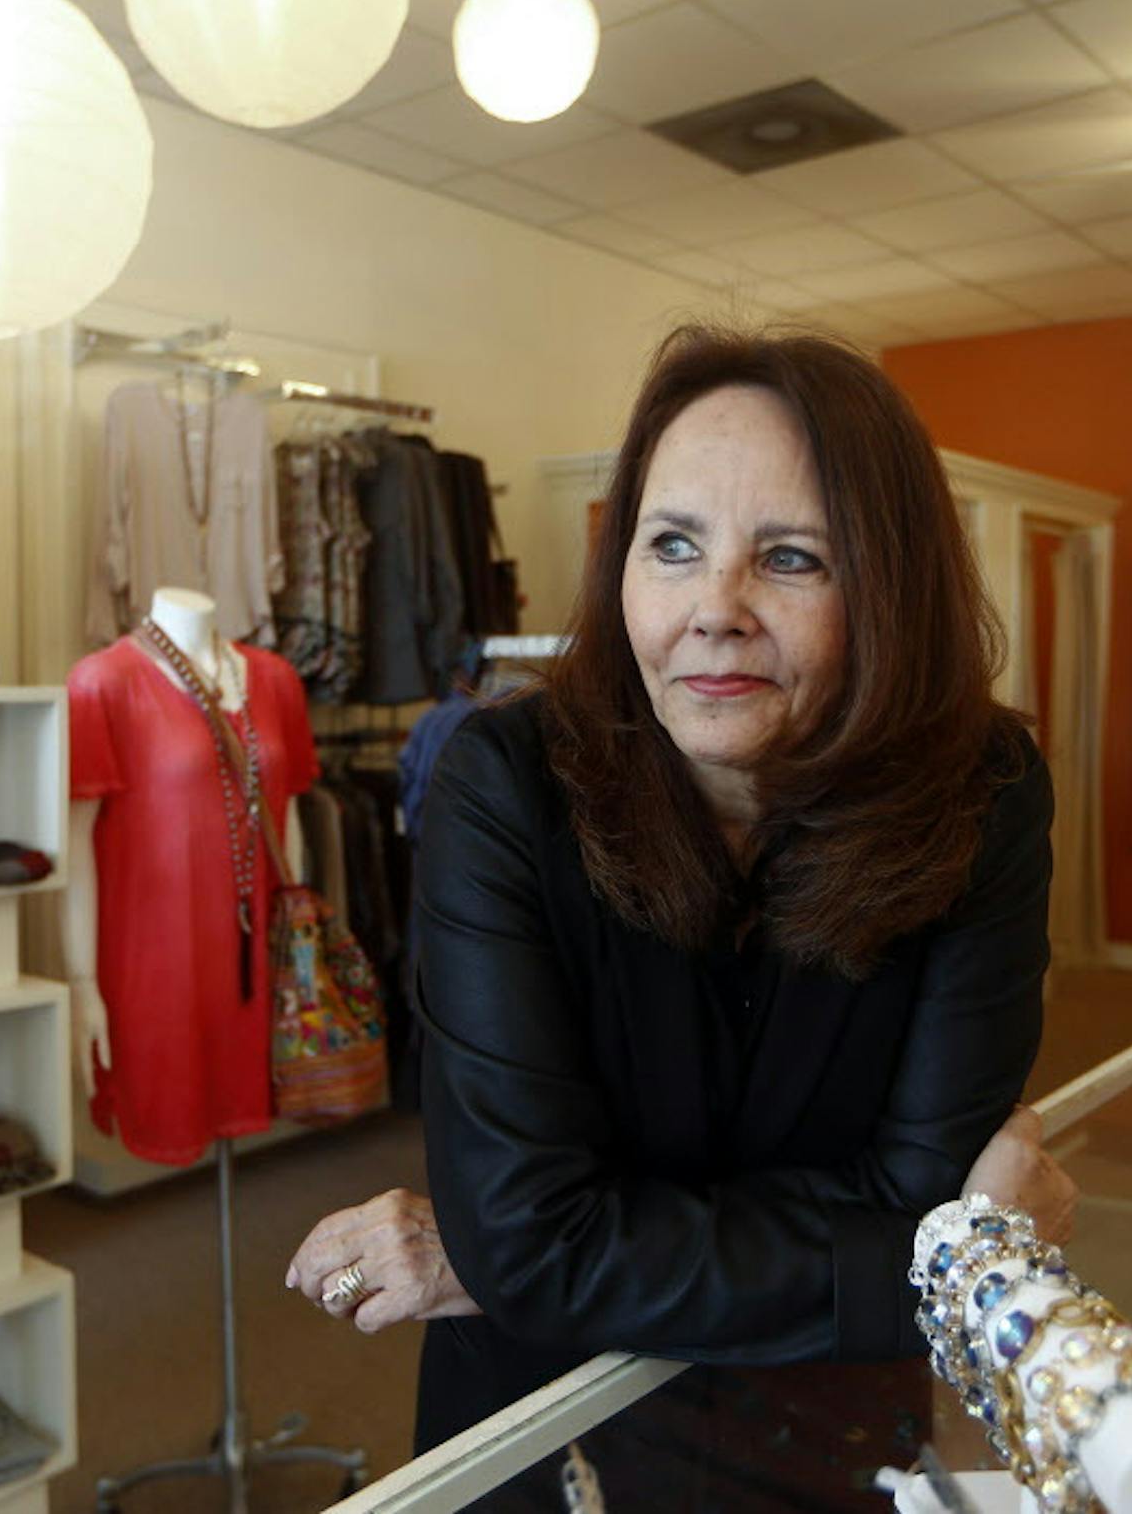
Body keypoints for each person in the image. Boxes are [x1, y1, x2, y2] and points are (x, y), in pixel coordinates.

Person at [284, 325, 1077, 1459]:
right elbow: (536, 1243)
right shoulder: (505, 780)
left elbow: (920, 1184)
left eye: (792, 556)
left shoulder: (985, 789)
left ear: (891, 586)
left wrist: (545, 1246)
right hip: (545, 1413)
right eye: (671, 545)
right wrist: (918, 1263)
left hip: (821, 1415)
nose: (716, 607)